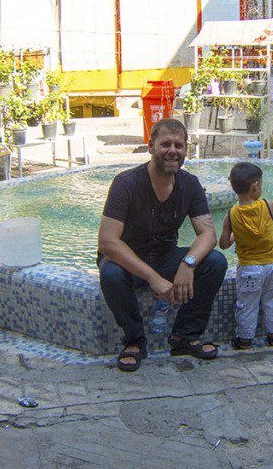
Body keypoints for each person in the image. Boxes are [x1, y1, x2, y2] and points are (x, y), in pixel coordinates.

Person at [98, 118, 228, 372]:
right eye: (165, 144)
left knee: (214, 262)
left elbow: (208, 235)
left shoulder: (189, 184)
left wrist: (188, 264)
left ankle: (184, 336)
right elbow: (107, 241)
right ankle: (134, 342)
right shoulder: (126, 183)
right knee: (110, 273)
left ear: (185, 150)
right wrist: (152, 278)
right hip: (128, 261)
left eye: (179, 145)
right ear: (151, 147)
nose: (172, 151)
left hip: (166, 256)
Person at [218, 162, 273, 350]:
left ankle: (245, 340)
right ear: (255, 186)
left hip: (249, 269)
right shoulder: (267, 205)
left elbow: (223, 244)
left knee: (247, 304)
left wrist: (234, 233)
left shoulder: (231, 215)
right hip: (271, 266)